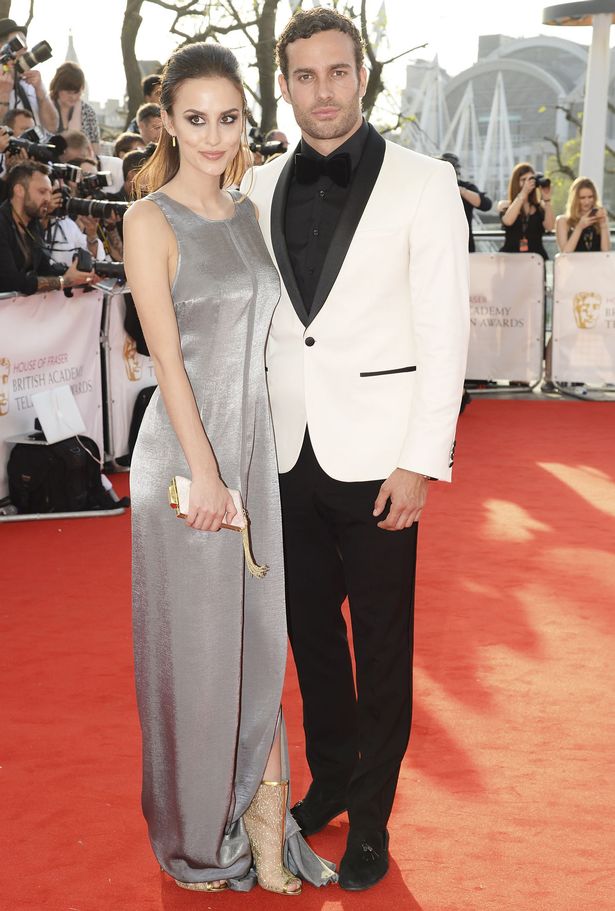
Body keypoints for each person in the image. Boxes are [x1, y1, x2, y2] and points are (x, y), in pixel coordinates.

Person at [241, 7, 469, 892]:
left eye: (336, 73)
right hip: (286, 451)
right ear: (285, 83)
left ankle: (370, 815)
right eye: (304, 76)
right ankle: (331, 775)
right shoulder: (257, 186)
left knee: (379, 643)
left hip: (381, 459)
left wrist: (421, 457)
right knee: (306, 634)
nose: (321, 91)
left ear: (362, 77)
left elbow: (444, 332)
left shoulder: (422, 182)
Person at [123, 41, 336, 895]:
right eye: (196, 119)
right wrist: (207, 476)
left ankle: (261, 819)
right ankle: (197, 835)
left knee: (256, 645)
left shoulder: (247, 212)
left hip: (252, 462)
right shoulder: (148, 220)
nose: (214, 137)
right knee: (198, 658)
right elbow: (168, 362)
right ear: (167, 124)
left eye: (229, 118)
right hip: (186, 469)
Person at [0, 160, 94, 293]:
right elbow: (10, 281)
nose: (48, 199)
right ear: (19, 190)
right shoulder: (2, 225)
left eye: (50, 192)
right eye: (42, 192)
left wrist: (82, 275)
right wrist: (64, 281)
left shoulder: (33, 225)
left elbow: (45, 270)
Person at [0, 18, 58, 136]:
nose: (25, 48)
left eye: (25, 42)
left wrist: (41, 92)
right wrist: (4, 95)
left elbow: (52, 126)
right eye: (19, 42)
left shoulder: (30, 83)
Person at [498, 162, 555, 259]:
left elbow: (550, 227)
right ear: (516, 182)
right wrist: (523, 192)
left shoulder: (540, 207)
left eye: (531, 180)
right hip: (512, 259)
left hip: (535, 259)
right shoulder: (505, 205)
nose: (527, 183)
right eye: (523, 180)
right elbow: (508, 221)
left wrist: (547, 200)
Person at [440, 152, 492, 252]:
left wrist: (459, 190)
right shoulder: (433, 189)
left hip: (464, 247)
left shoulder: (466, 187)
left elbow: (486, 205)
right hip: (439, 246)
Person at [49, 62, 101, 153]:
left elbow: (95, 147)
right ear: (57, 87)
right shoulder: (44, 105)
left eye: (77, 92)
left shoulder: (88, 112)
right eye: (68, 92)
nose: (73, 97)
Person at [556, 176, 611, 253]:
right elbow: (565, 253)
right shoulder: (563, 221)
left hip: (597, 263)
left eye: (590, 197)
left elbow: (606, 253)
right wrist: (579, 227)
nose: (587, 202)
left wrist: (603, 225)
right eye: (582, 198)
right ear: (575, 199)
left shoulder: (599, 219)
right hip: (573, 264)